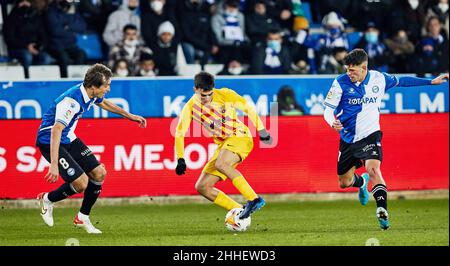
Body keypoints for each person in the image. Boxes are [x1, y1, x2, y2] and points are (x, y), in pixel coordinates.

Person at [322, 48, 448, 230]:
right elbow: (327, 109)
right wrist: (331, 122)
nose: (349, 73)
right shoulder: (340, 83)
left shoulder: (379, 79)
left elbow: (402, 81)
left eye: (353, 70)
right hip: (348, 137)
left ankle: (382, 210)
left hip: (370, 134)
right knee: (344, 182)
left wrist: (430, 81)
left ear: (364, 68)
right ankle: (362, 183)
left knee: (373, 169)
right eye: (347, 69)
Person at [36, 63, 147, 234]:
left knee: (99, 173)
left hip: (68, 137)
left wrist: (130, 116)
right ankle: (47, 199)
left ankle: (82, 217)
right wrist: (54, 164)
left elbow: (105, 104)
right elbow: (56, 130)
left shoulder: (90, 93)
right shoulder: (71, 101)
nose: (108, 89)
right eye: (106, 85)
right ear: (93, 86)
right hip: (49, 140)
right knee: (81, 184)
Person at [174, 71, 272, 219]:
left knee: (221, 163)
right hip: (223, 144)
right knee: (202, 187)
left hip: (240, 136)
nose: (207, 99)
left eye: (209, 94)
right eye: (203, 95)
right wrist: (180, 158)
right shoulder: (189, 108)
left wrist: (262, 130)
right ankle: (240, 211)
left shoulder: (225, 94)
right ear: (195, 90)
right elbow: (180, 133)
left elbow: (248, 109)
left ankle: (254, 199)